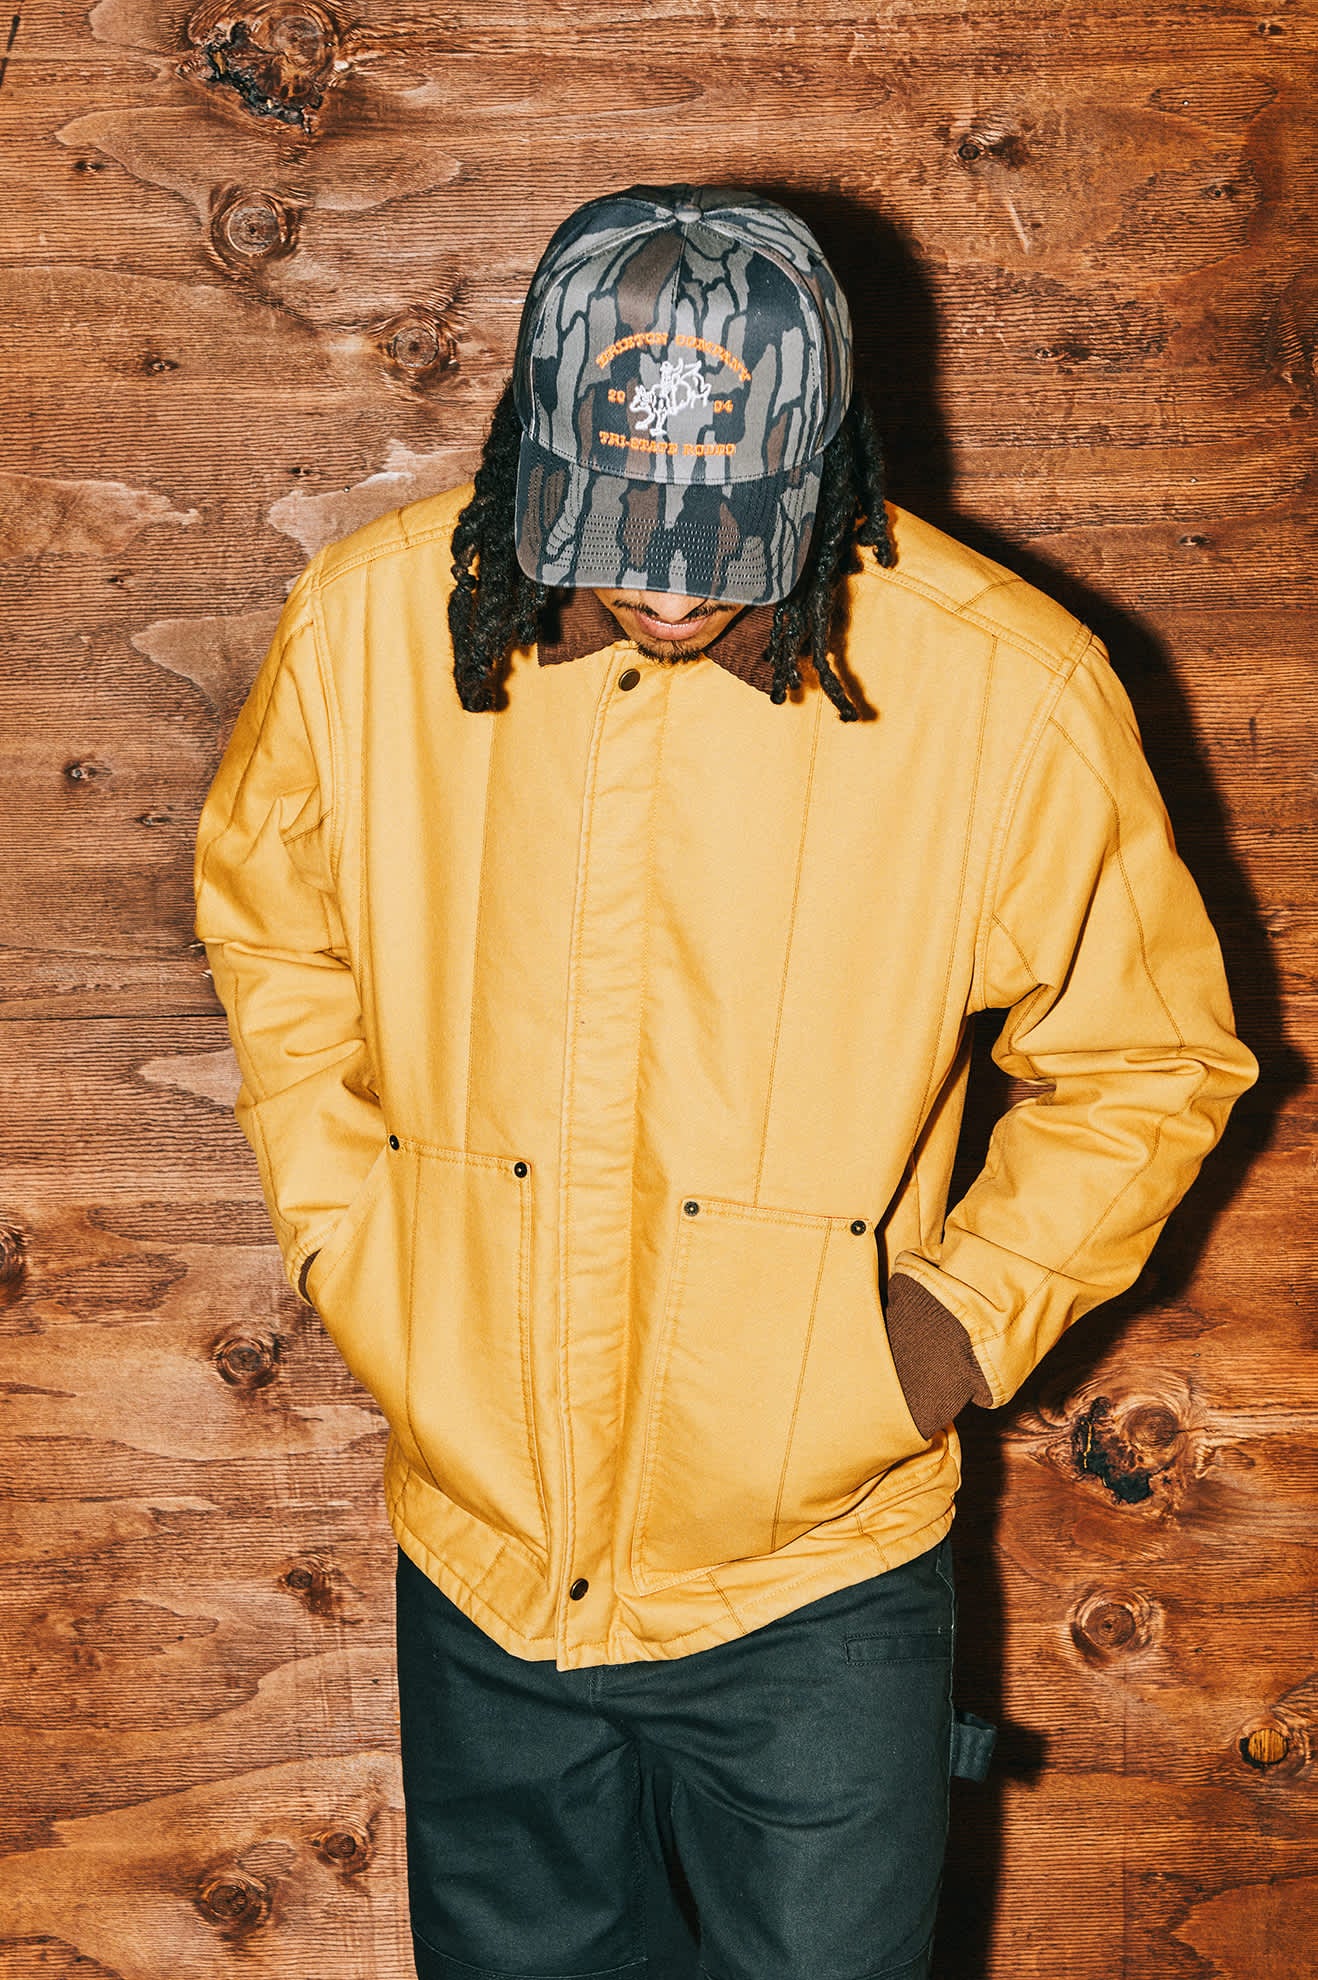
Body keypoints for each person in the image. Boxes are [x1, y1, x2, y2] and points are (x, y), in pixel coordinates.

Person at [194, 184, 1256, 1980]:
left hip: (812, 1579)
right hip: (478, 1553)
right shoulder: (372, 628)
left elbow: (1146, 1058)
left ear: (820, 460)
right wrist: (358, 1247)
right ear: (535, 447)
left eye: (727, 535)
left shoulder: (998, 687)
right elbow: (270, 934)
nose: (674, 587)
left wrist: (928, 1343)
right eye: (621, 530)